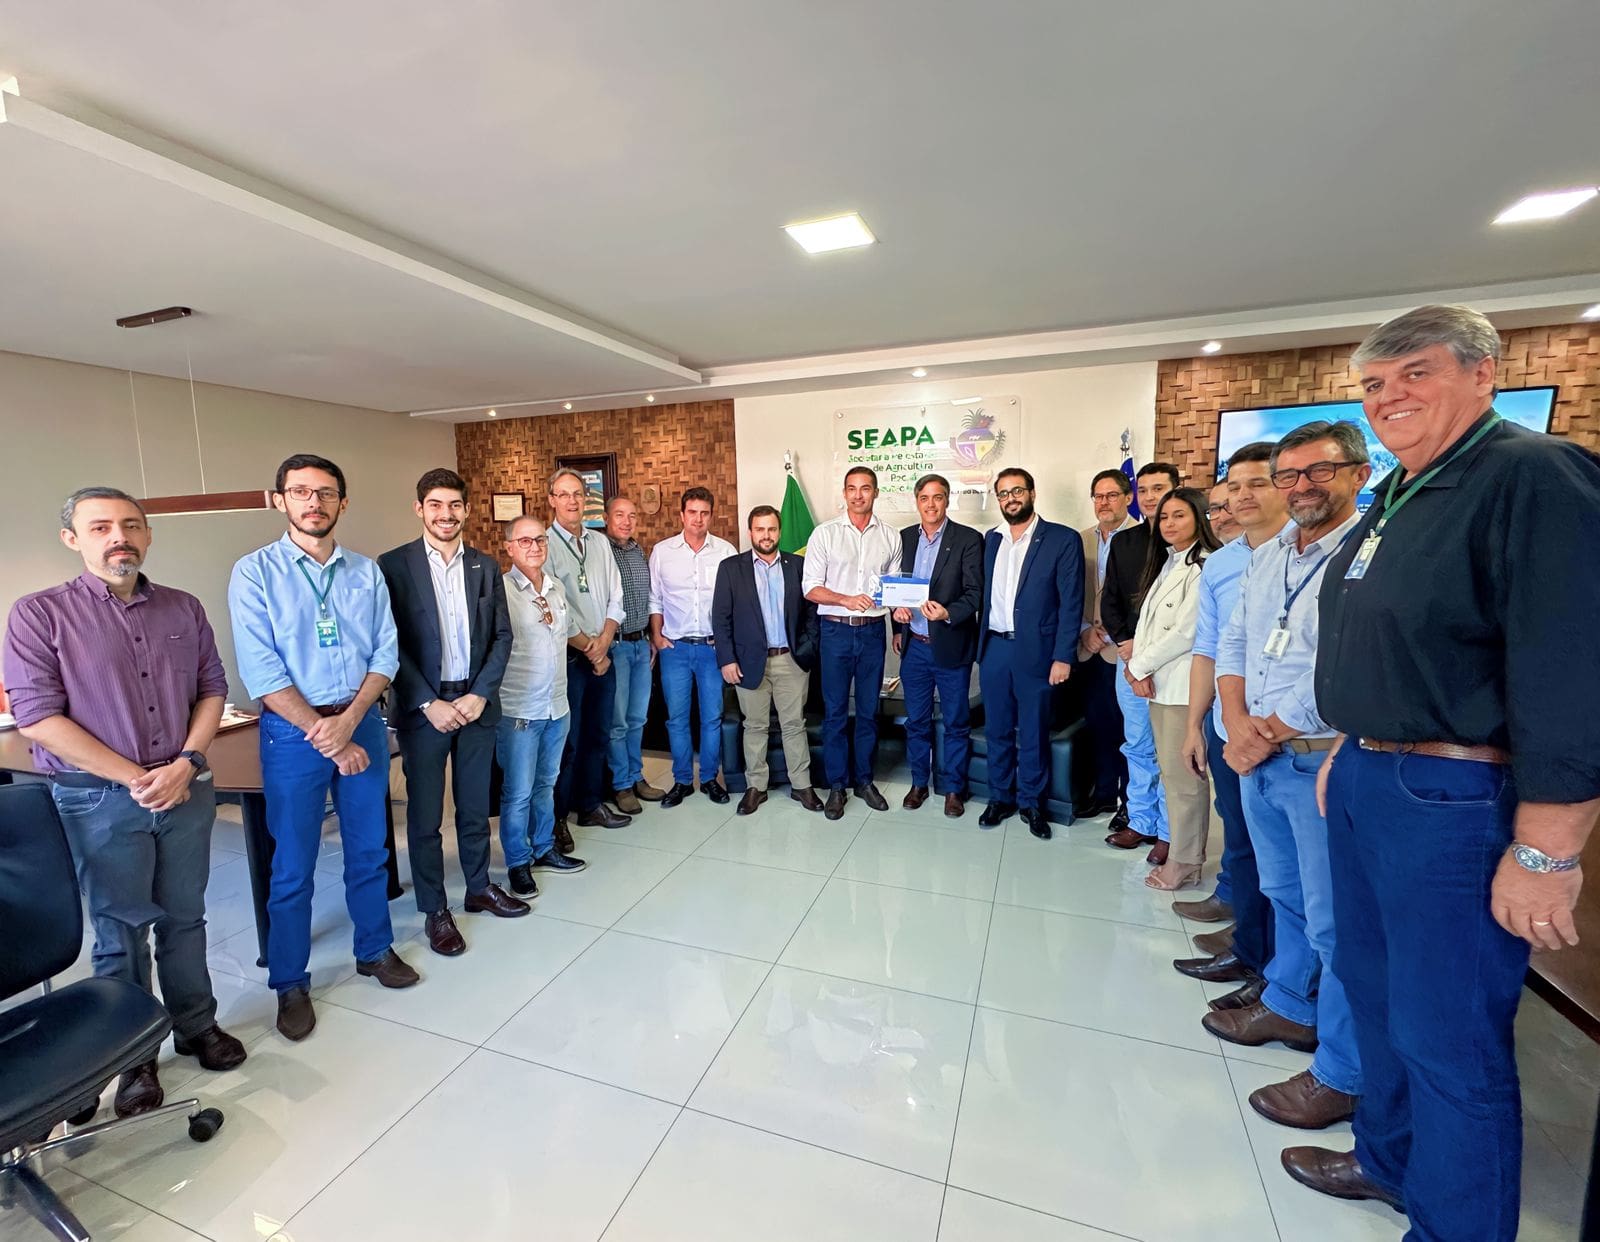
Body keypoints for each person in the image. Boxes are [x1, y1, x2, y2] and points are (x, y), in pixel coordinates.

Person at [1296, 305, 1600, 1237]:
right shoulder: (1401, 492)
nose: (1390, 397)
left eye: (1414, 373)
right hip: (1370, 777)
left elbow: (1571, 666)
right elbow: (1393, 650)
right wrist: (1350, 743)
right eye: (1374, 385)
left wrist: (1548, 850)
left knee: (1448, 1038)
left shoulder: (1532, 474)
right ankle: (1389, 1161)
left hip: (1453, 797)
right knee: (1375, 996)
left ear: (1482, 373)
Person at [4, 487, 246, 1117]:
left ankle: (196, 1024)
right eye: (101, 526)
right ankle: (132, 1055)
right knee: (120, 931)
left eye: (132, 525)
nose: (120, 537)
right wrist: (141, 778)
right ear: (72, 539)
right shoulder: (39, 615)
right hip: (99, 801)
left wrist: (186, 763)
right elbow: (37, 718)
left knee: (185, 918)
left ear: (147, 535)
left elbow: (212, 689)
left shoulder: (182, 607)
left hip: (185, 788)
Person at [1207, 420, 1371, 1132]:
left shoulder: (1368, 552)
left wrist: (1267, 728)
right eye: (1289, 474)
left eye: (1318, 472)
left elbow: (1348, 662)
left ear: (1359, 474)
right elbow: (1235, 642)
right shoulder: (1269, 554)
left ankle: (1342, 1073)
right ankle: (1289, 1006)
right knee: (1284, 895)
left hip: (1319, 758)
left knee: (1336, 924)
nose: (1301, 486)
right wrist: (1237, 721)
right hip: (1259, 753)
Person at [229, 454, 418, 1042]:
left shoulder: (365, 572)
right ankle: (289, 981)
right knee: (292, 864)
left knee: (369, 849)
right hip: (293, 734)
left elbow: (385, 652)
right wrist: (324, 732)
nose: (314, 502)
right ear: (280, 500)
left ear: (343, 502)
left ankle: (374, 949)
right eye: (301, 492)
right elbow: (261, 670)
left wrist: (351, 722)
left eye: (326, 493)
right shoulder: (254, 573)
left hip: (360, 721)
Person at [378, 468, 527, 958]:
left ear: (466, 509)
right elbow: (389, 643)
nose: (446, 514)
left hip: (475, 703)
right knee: (424, 816)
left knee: (474, 807)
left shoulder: (484, 565)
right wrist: (428, 701)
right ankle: (434, 908)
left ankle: (479, 887)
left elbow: (502, 635)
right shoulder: (393, 565)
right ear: (419, 509)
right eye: (436, 505)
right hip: (425, 708)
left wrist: (480, 694)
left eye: (455, 505)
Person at [1171, 442, 1288, 1003]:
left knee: (1288, 870)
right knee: (1240, 841)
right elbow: (1211, 650)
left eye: (1257, 483)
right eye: (1232, 488)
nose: (1241, 497)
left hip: (1292, 737)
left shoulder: (1320, 553)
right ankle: (1250, 951)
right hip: (1227, 729)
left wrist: (1262, 727)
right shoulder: (1221, 563)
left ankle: (1284, 980)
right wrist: (1198, 725)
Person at [975, 467, 1084, 839]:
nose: (1011, 499)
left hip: (1038, 651)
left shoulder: (1061, 539)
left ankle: (1031, 803)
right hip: (994, 648)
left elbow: (1071, 603)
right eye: (1003, 493)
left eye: (1017, 491)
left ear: (1032, 493)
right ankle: (1000, 798)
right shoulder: (991, 540)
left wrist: (1063, 656)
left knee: (1034, 730)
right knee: (997, 728)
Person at [1127, 488, 1219, 889]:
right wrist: (1139, 668)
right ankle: (1185, 855)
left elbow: (1186, 632)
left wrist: (1137, 666)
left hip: (1183, 688)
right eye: (1164, 517)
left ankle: (1184, 862)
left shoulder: (1205, 565)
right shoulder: (1170, 561)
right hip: (1159, 685)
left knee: (1184, 779)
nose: (1169, 523)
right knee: (1172, 773)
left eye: (1179, 515)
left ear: (1199, 517)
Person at [801, 466, 902, 819]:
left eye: (866, 488)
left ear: (876, 492)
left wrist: (903, 606)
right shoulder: (824, 534)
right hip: (835, 632)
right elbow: (810, 587)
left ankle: (864, 781)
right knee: (835, 712)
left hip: (873, 632)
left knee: (870, 710)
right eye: (852, 489)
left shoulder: (890, 536)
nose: (859, 495)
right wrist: (845, 599)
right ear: (844, 494)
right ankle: (837, 786)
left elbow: (893, 589)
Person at [712, 504, 822, 815]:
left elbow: (812, 612)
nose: (766, 535)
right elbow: (720, 618)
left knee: (794, 724)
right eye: (760, 529)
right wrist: (727, 660)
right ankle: (756, 788)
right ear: (750, 532)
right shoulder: (731, 568)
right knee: (755, 726)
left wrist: (808, 647)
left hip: (791, 660)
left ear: (779, 531)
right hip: (748, 662)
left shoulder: (797, 565)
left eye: (772, 529)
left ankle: (802, 785)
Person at [497, 516, 587, 894]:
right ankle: (518, 861)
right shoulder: (501, 592)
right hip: (520, 708)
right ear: (509, 547)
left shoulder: (556, 588)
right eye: (525, 541)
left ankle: (544, 847)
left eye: (540, 540)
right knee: (518, 791)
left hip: (557, 705)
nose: (534, 547)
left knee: (546, 783)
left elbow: (566, 636)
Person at [891, 474, 983, 817]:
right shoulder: (903, 538)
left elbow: (975, 593)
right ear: (917, 501)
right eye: (924, 498)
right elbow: (894, 587)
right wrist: (897, 622)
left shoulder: (968, 539)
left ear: (947, 500)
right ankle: (919, 783)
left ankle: (953, 789)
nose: (931, 504)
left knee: (956, 721)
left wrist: (948, 613)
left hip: (950, 644)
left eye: (938, 497)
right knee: (917, 720)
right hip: (914, 646)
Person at [545, 468, 630, 839]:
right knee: (568, 741)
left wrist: (605, 640)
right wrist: (590, 649)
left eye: (577, 494)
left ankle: (591, 804)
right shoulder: (544, 544)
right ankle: (558, 818)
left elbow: (616, 594)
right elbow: (554, 607)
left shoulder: (598, 542)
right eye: (563, 494)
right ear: (552, 500)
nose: (572, 501)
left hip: (603, 652)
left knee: (598, 734)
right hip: (570, 658)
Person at [1101, 462, 1179, 859]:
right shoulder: (1125, 542)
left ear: (1176, 490)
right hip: (1129, 659)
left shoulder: (1191, 545)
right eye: (1144, 490)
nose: (1150, 497)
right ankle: (1142, 821)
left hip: (1174, 663)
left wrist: (1147, 652)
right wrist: (1125, 642)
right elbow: (1110, 599)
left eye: (1158, 489)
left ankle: (1170, 831)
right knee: (1138, 744)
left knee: (1172, 751)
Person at [650, 486, 737, 807]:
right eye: (692, 512)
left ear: (712, 515)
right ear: (682, 515)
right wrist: (657, 636)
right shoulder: (662, 552)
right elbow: (655, 598)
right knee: (677, 719)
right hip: (675, 648)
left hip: (712, 650)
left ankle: (710, 778)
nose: (698, 519)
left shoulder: (726, 551)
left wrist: (727, 642)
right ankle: (683, 780)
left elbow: (733, 602)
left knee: (712, 718)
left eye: (704, 513)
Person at [1076, 469, 1139, 818]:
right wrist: (1085, 629)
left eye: (1112, 495)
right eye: (1098, 496)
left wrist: (1116, 634)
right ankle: (1102, 794)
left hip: (1125, 651)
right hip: (1088, 647)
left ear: (1128, 498)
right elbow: (1072, 594)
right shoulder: (1080, 539)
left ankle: (1130, 805)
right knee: (1097, 725)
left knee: (1130, 731)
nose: (1104, 502)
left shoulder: (1144, 538)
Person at [604, 497, 663, 814]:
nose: (626, 521)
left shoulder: (639, 551)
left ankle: (636, 775)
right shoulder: (601, 552)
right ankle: (621, 784)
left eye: (631, 516)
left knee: (638, 718)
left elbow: (650, 597)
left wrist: (652, 637)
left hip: (641, 644)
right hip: (616, 646)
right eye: (619, 515)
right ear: (606, 518)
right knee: (618, 721)